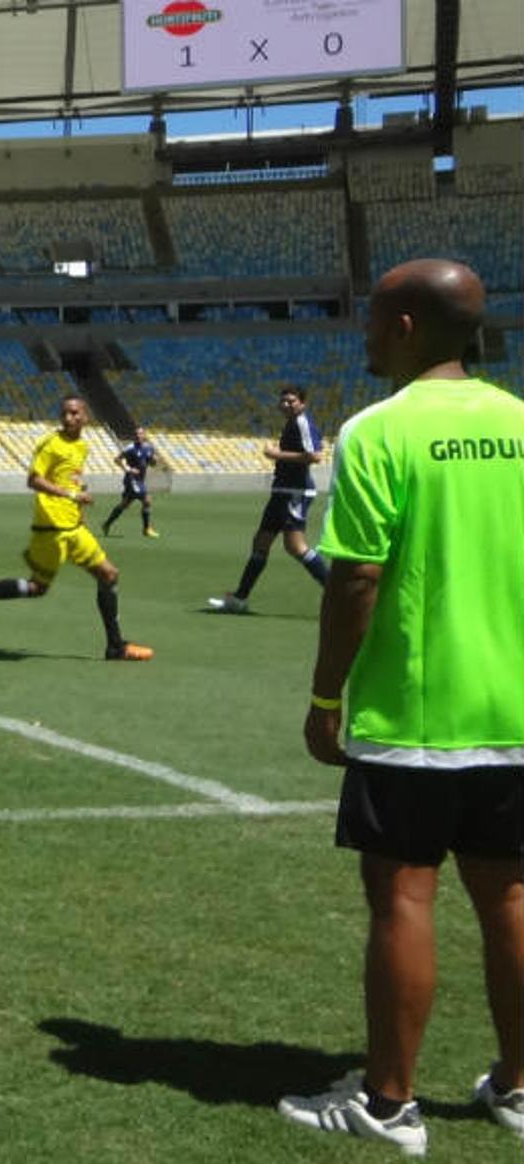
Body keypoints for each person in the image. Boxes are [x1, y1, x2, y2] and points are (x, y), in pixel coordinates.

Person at [278, 260, 524, 1156]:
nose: (366, 335)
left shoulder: (379, 432)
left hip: (416, 714)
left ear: (411, 326)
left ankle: (388, 1104)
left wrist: (323, 698)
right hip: (516, 709)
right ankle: (518, 1085)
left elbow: (358, 578)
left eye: (376, 319)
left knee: (403, 895)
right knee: (509, 895)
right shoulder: (523, 426)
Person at [0, 395, 153, 662]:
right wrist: (71, 496)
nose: (69, 418)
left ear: (85, 417)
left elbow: (72, 481)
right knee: (36, 587)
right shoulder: (50, 444)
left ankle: (115, 647)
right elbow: (34, 480)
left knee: (109, 575)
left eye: (75, 413)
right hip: (51, 529)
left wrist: (79, 509)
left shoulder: (82, 447)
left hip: (74, 528)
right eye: (65, 413)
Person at [207, 388, 330, 612]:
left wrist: (276, 455)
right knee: (260, 543)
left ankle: (336, 592)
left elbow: (315, 456)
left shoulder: (302, 422)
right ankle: (239, 598)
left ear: (303, 403)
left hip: (295, 492)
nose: (286, 405)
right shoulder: (293, 422)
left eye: (291, 401)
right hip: (281, 491)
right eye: (283, 401)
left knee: (295, 547)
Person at [100, 427, 158, 538]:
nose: (138, 436)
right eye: (136, 434)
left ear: (144, 435)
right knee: (147, 500)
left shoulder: (148, 448)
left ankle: (106, 524)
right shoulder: (130, 448)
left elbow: (151, 463)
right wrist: (128, 469)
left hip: (140, 480)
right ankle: (146, 529)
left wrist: (154, 461)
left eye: (141, 434)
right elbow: (117, 459)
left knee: (124, 504)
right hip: (131, 479)